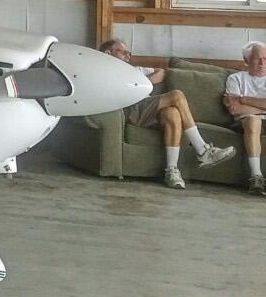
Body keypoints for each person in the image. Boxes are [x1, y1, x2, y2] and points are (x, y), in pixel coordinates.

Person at [100, 40, 236, 189]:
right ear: (108, 53)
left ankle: (171, 170)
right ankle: (203, 150)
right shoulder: (106, 72)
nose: (128, 55)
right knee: (176, 95)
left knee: (173, 114)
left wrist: (143, 83)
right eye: (122, 51)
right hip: (132, 109)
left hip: (146, 108)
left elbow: (161, 72)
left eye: (129, 52)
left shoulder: (136, 70)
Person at [224, 41, 266, 196]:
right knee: (253, 120)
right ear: (247, 60)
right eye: (257, 58)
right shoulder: (236, 79)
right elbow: (235, 109)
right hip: (245, 122)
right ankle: (257, 178)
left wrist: (245, 99)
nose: (262, 62)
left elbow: (241, 104)